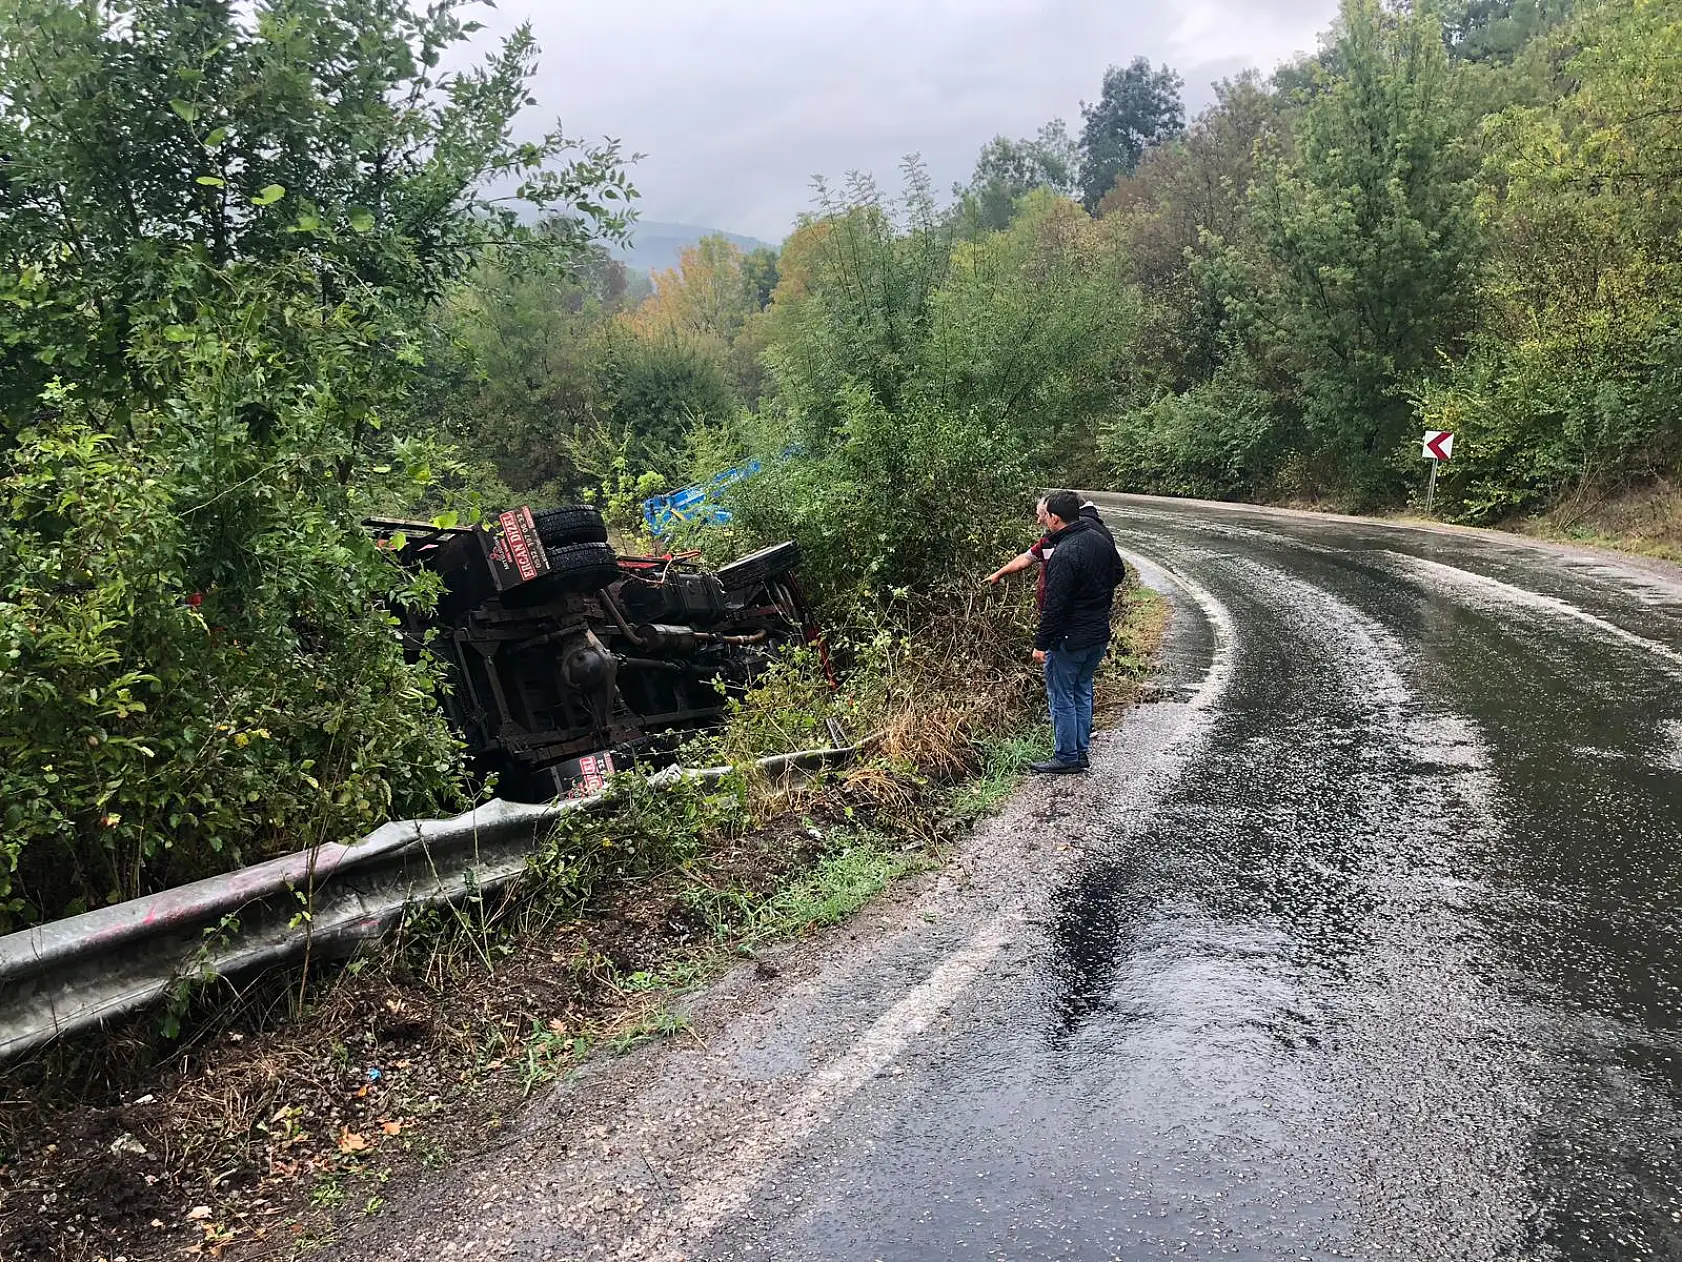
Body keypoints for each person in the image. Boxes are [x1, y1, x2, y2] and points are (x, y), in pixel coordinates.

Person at [1029, 489, 1124, 774]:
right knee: (1082, 690)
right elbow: (1118, 573)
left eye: (1045, 517)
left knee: (1061, 696)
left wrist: (1040, 644)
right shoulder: (1100, 538)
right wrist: (1095, 594)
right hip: (1097, 634)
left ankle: (1067, 755)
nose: (1044, 521)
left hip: (1070, 638)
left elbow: (1055, 607)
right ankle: (1080, 751)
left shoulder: (1064, 553)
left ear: (1055, 518)